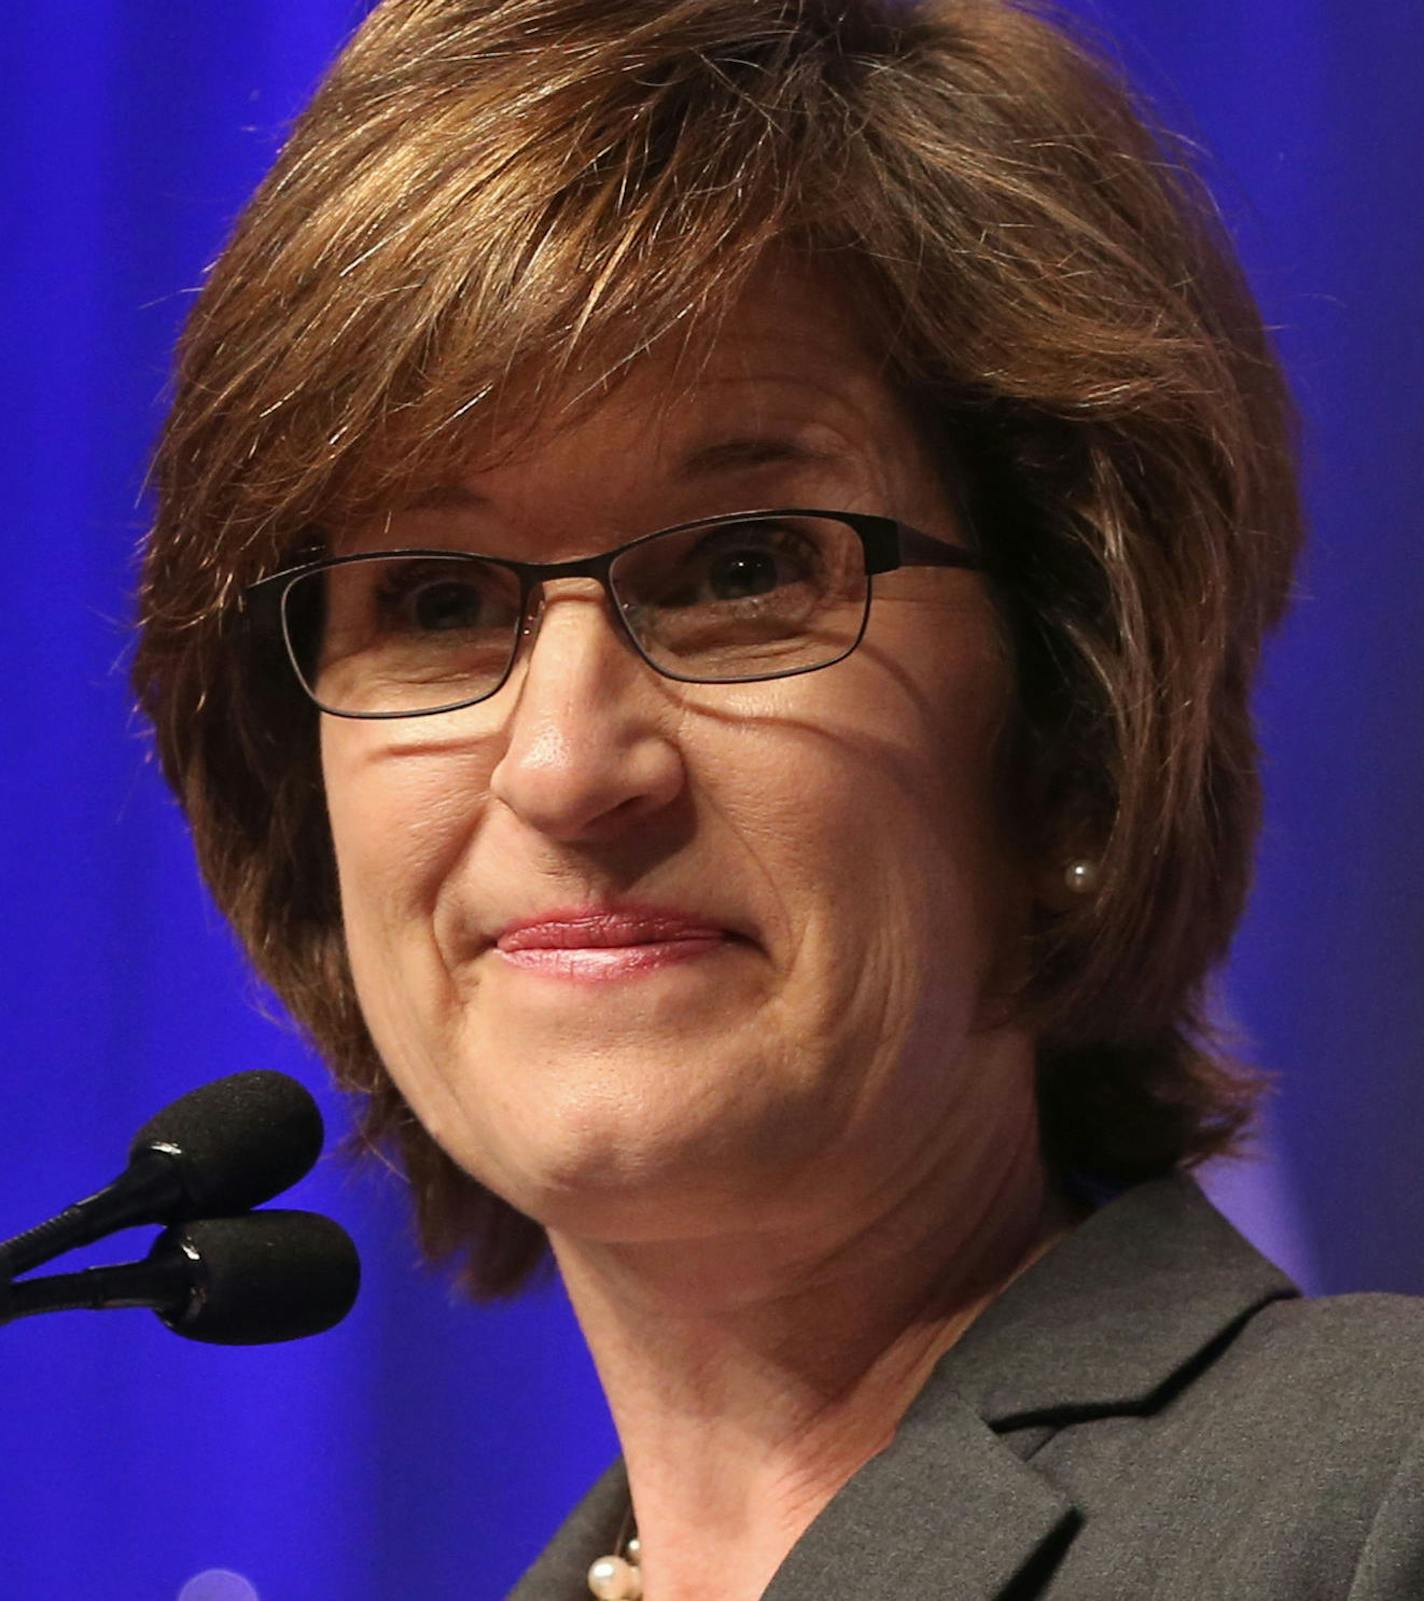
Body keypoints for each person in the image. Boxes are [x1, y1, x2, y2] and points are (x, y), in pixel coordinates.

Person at [132, 0, 1424, 1597]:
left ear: (1069, 727)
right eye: (439, 601)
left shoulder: (1374, 1505)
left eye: (745, 570)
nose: (567, 764)